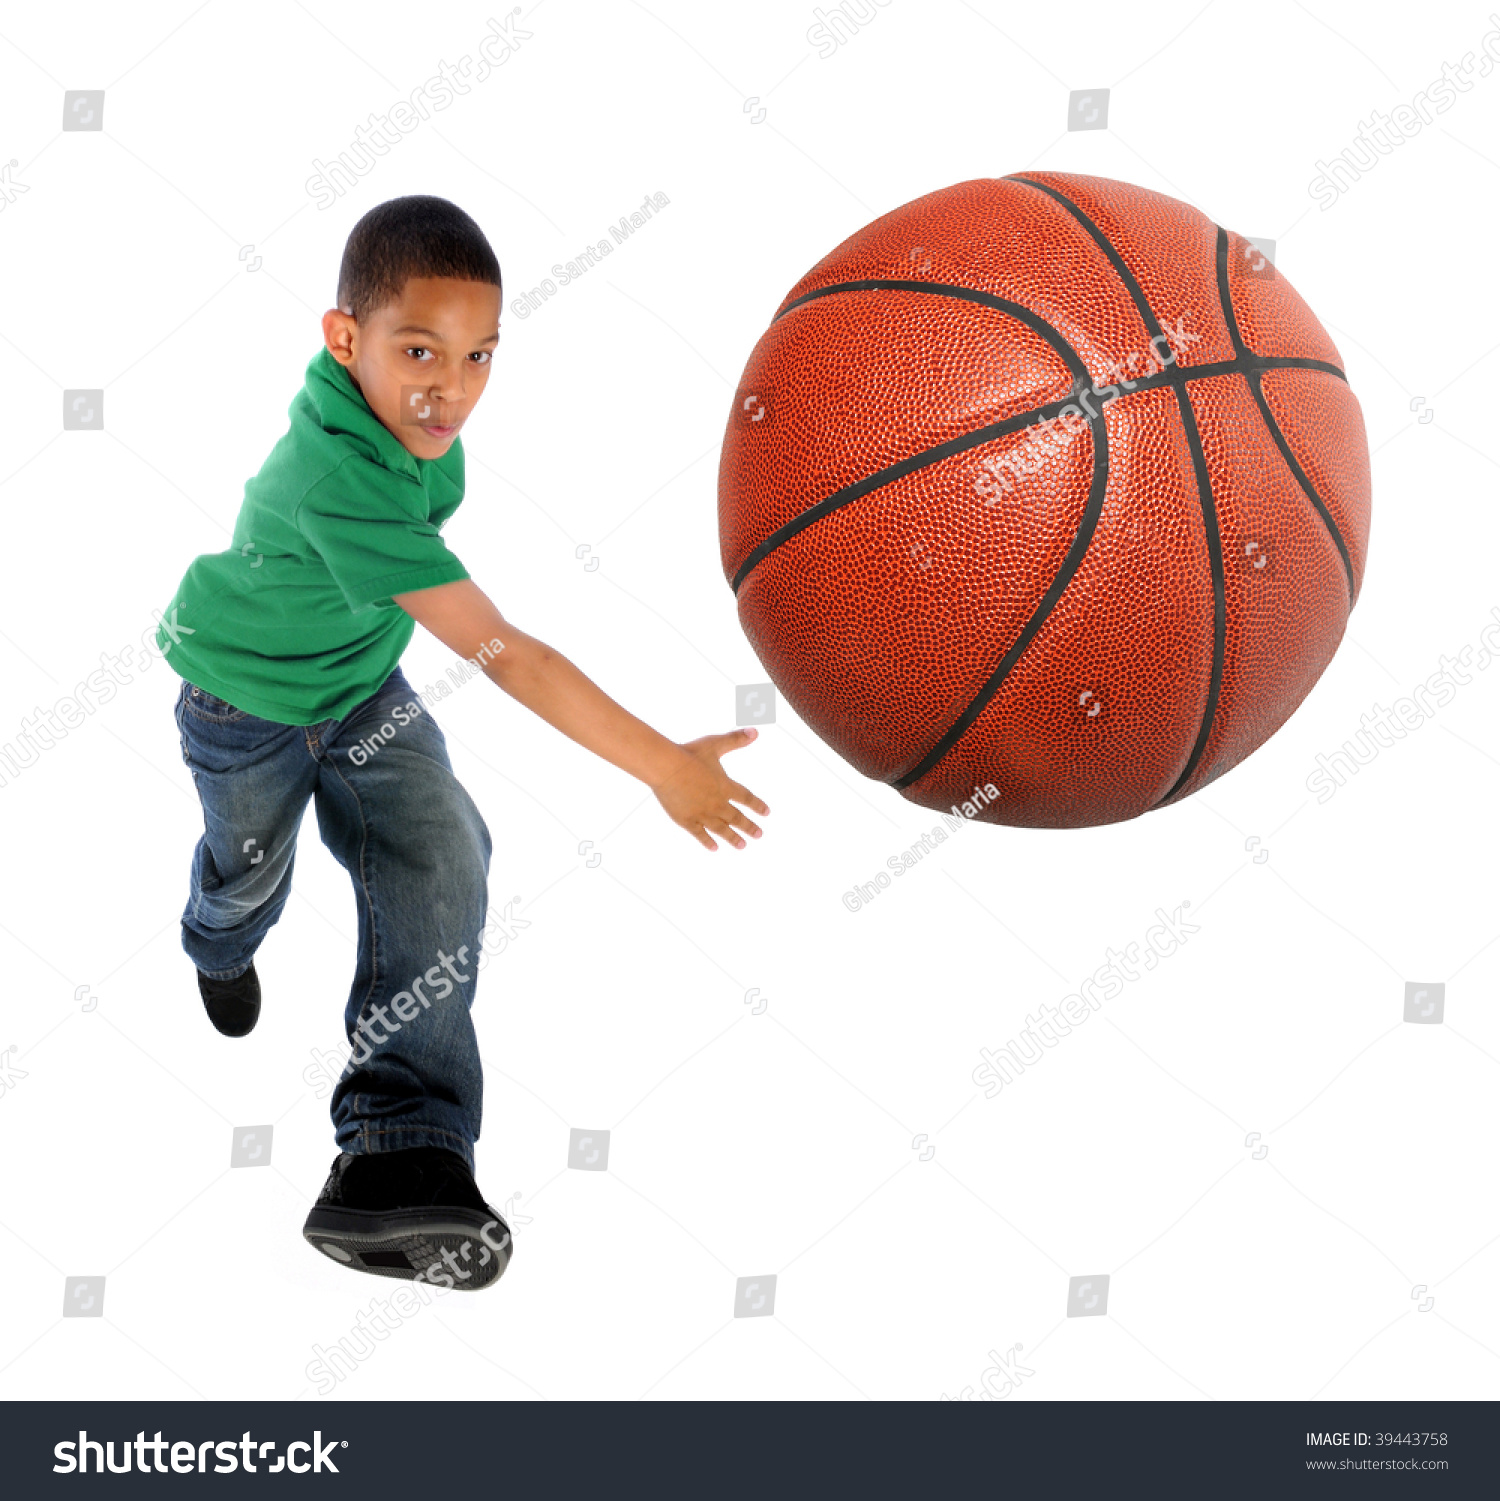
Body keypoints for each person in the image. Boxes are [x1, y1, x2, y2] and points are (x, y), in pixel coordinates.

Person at [156, 195, 768, 1291]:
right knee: (248, 879)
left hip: (355, 689)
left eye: (480, 355)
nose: (452, 387)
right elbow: (508, 655)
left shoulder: (414, 433)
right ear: (345, 340)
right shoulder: (340, 476)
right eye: (420, 351)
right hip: (242, 702)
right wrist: (663, 763)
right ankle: (215, 943)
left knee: (443, 848)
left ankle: (400, 1155)